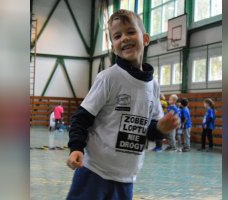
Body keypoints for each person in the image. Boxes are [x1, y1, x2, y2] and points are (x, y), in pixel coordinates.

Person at [66, 9, 179, 200]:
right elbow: (81, 118)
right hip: (94, 172)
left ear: (145, 39)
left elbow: (149, 131)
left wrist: (160, 128)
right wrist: (76, 147)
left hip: (126, 179)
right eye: (117, 36)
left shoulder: (154, 86)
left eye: (130, 32)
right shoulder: (109, 78)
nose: (124, 38)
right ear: (113, 46)